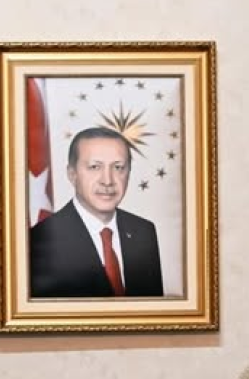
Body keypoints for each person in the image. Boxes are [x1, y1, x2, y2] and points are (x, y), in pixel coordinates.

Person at [29, 127, 164, 298]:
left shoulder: (144, 232)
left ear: (129, 173)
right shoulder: (40, 240)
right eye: (94, 167)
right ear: (72, 174)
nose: (107, 181)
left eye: (118, 167)